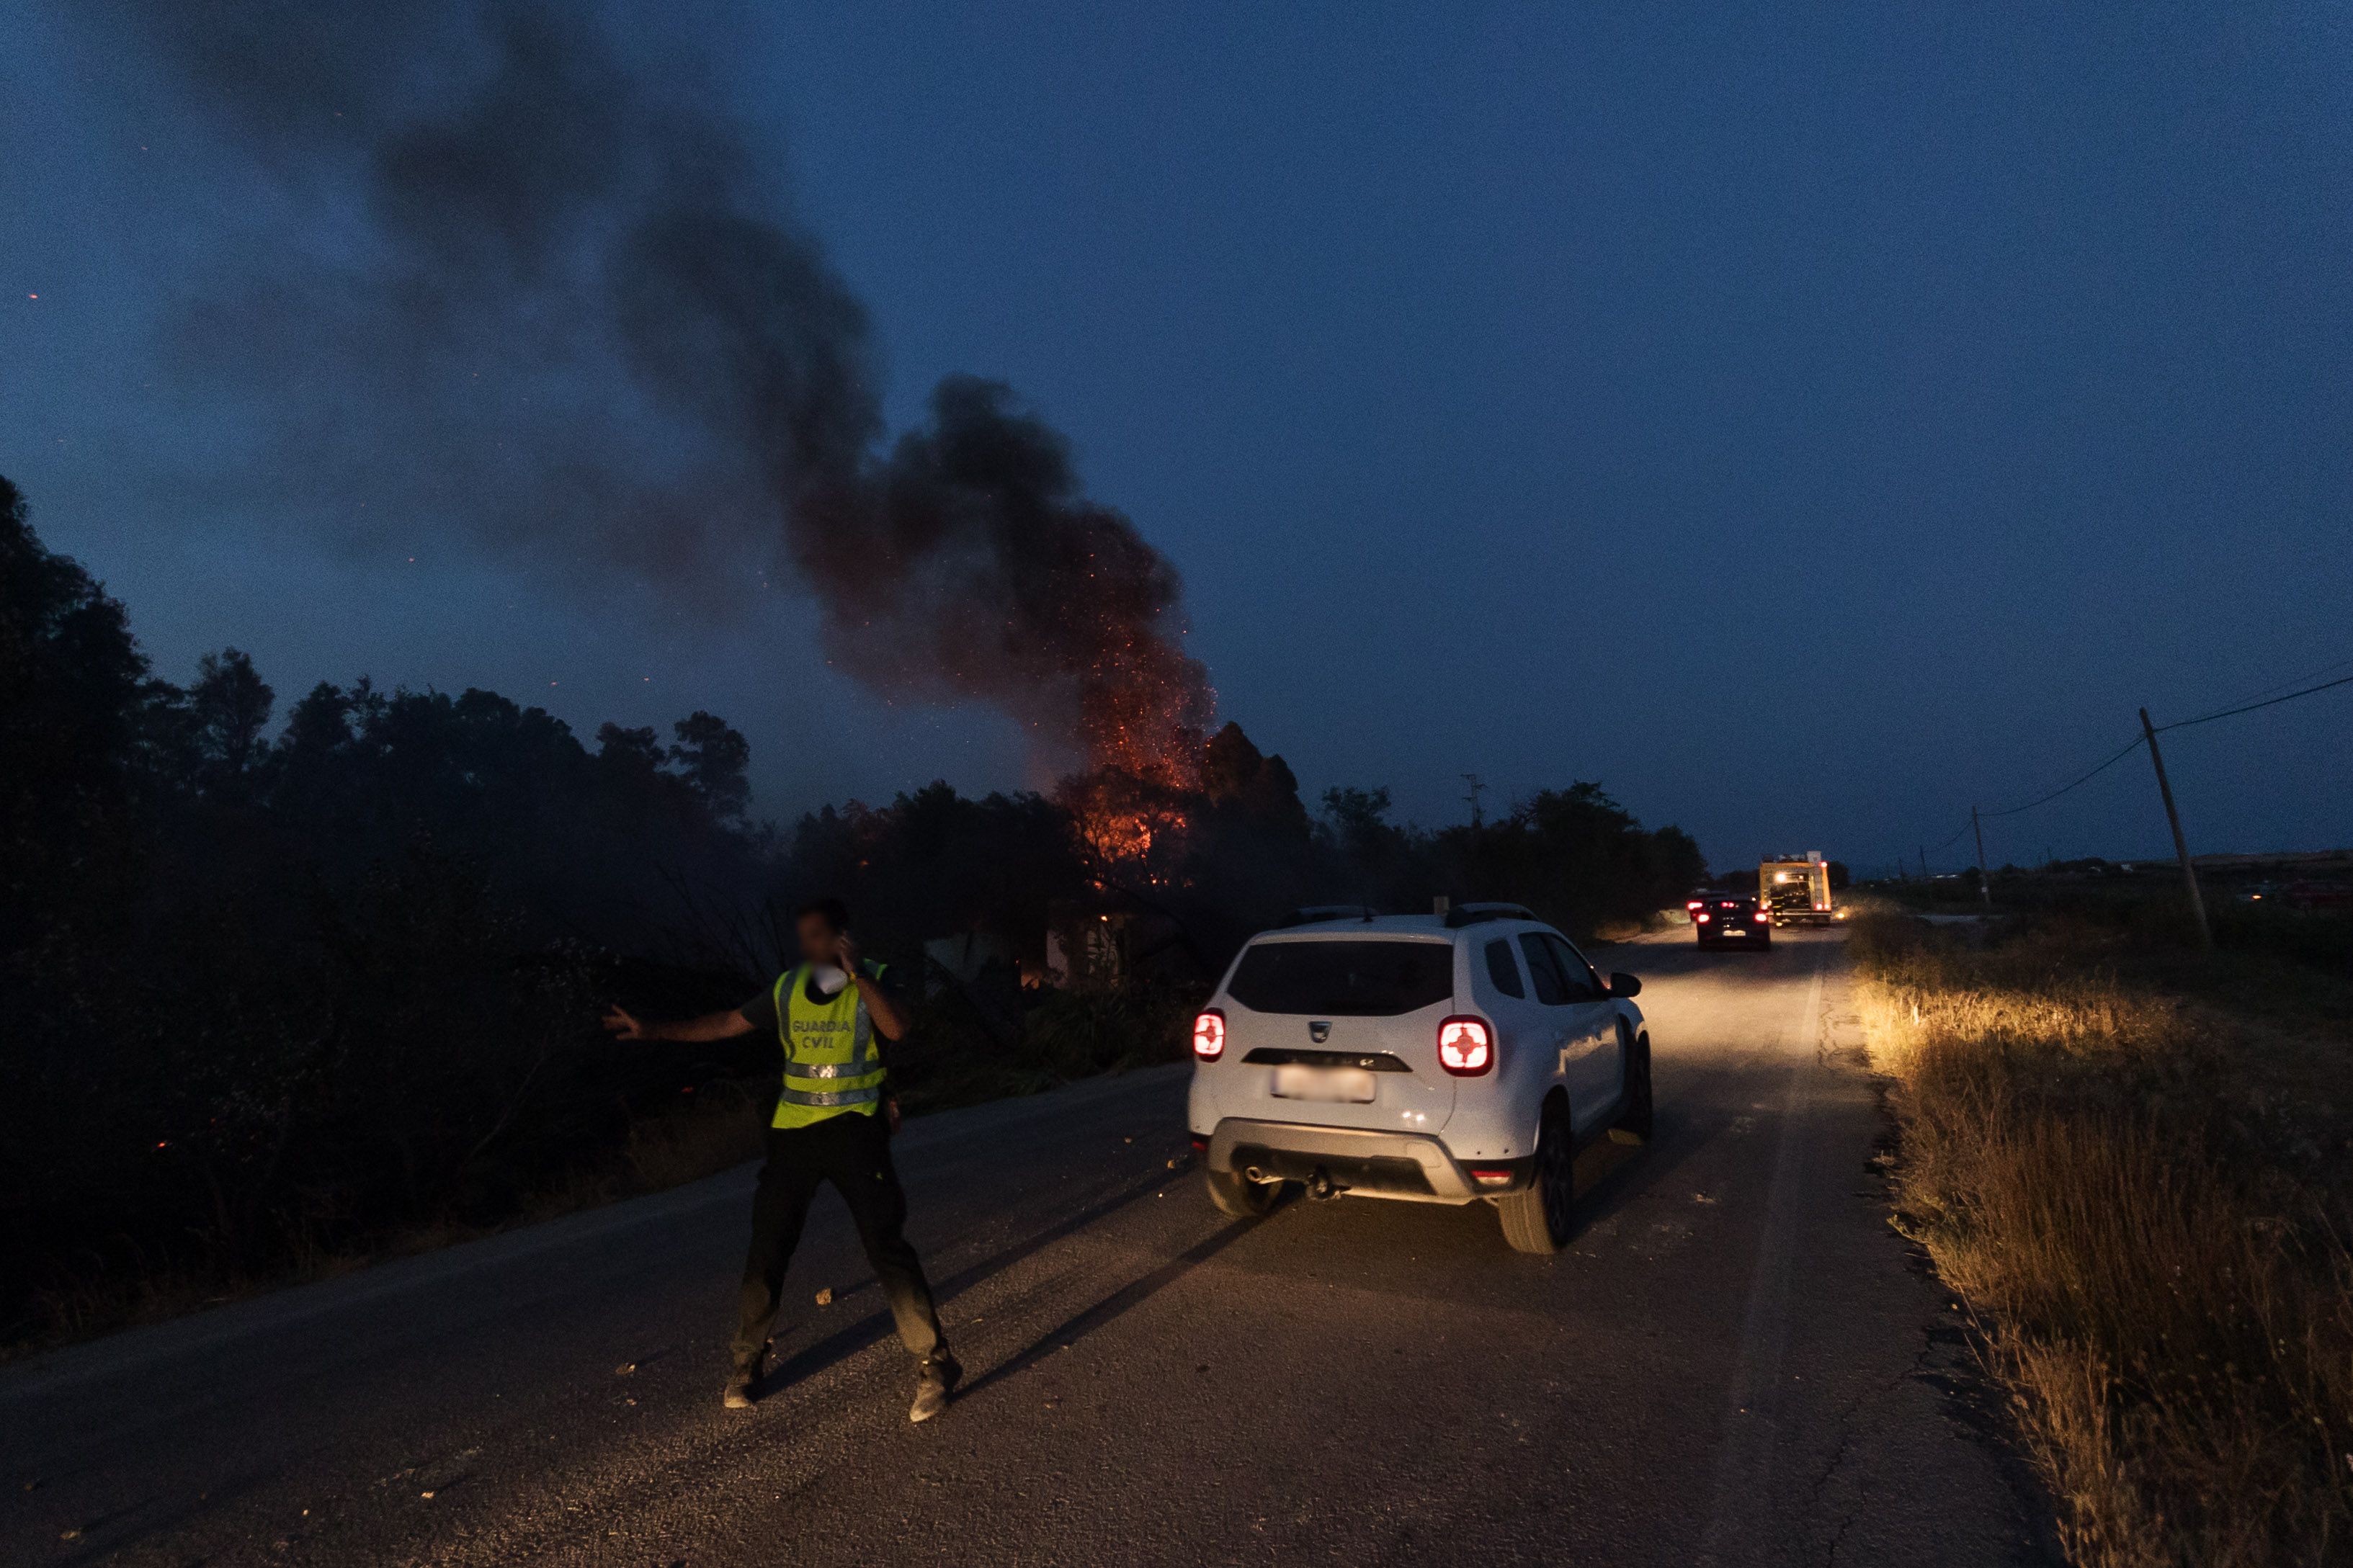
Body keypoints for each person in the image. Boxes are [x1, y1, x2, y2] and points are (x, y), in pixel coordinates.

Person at [602, 897, 960, 1421]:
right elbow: (726, 1023)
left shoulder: (874, 978)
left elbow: (898, 1028)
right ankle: (746, 1364)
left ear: (842, 936)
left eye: (821, 935)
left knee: (885, 1244)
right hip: (794, 1133)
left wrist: (858, 974)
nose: (812, 946)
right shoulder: (788, 987)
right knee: (768, 1246)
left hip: (856, 1129)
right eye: (806, 936)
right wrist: (655, 1030)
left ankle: (935, 1363)